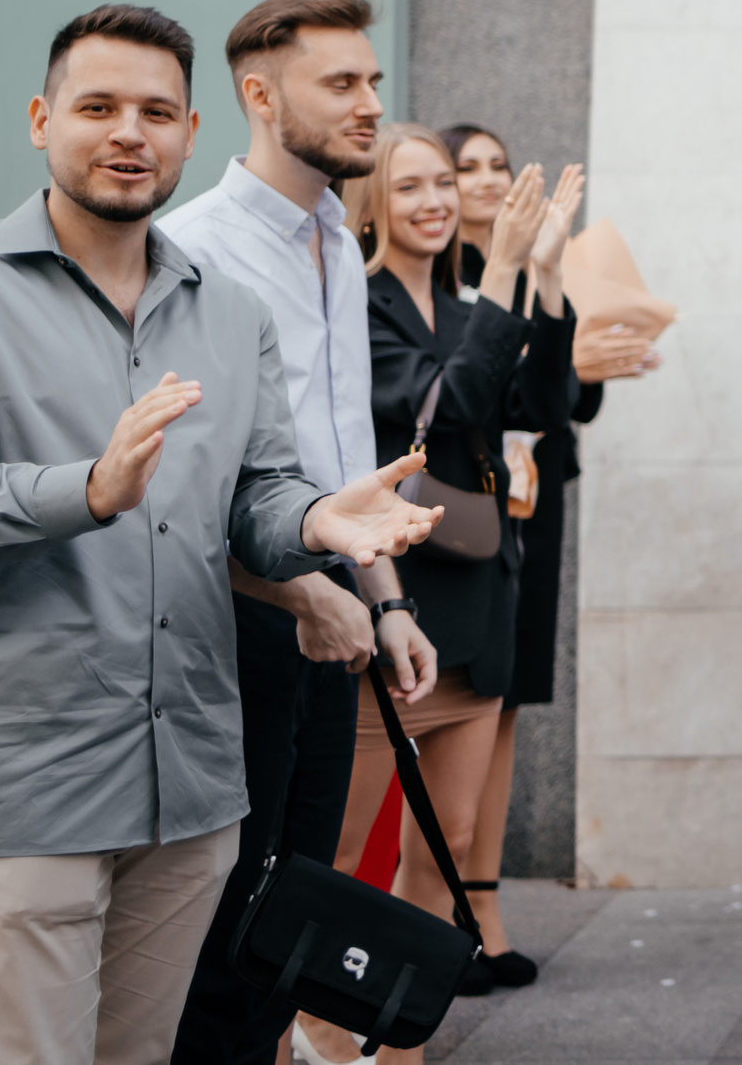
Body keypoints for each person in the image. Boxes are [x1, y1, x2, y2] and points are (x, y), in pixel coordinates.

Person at [0, 5, 438, 1065]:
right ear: (40, 119)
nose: (131, 132)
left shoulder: (229, 308)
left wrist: (313, 518)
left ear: (192, 129)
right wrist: (91, 488)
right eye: (99, 107)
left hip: (193, 789)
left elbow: (258, 494)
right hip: (26, 792)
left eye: (157, 111)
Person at [162, 0, 441, 1062]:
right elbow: (184, 485)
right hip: (234, 627)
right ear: (258, 96)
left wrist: (386, 600)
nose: (372, 103)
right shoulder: (199, 248)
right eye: (343, 85)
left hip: (334, 617)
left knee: (290, 921)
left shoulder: (334, 233)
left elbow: (332, 467)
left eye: (373, 81)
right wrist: (303, 593)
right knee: (220, 932)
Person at [297, 127, 578, 1064]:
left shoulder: (472, 301)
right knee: (341, 849)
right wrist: (499, 281)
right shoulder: (357, 306)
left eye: (445, 182)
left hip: (479, 596)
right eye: (410, 184)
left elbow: (541, 401)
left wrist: (541, 274)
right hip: (395, 599)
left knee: (448, 842)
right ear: (374, 201)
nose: (436, 199)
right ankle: (327, 1033)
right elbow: (448, 409)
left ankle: (403, 1039)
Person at [439, 121, 646, 988]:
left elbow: (566, 406)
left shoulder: (549, 261)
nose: (486, 179)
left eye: (496, 163)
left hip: (532, 497)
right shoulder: (431, 275)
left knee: (510, 692)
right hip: (451, 502)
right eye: (467, 167)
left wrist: (582, 356)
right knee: (448, 700)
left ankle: (483, 903)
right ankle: (438, 900)